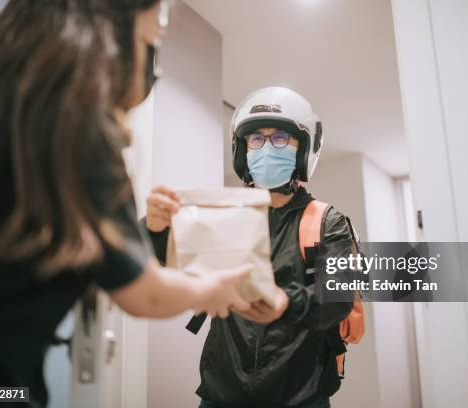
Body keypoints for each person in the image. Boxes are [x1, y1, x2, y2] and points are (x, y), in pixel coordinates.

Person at [0, 1, 252, 406]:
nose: (153, 66)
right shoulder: (75, 129)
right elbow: (142, 292)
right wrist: (209, 290)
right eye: (153, 41)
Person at [144, 87, 357, 408]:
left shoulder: (329, 221)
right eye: (256, 139)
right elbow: (151, 262)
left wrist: (286, 302)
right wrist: (153, 229)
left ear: (304, 150)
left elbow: (339, 296)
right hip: (221, 395)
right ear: (243, 150)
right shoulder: (222, 215)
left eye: (280, 138)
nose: (266, 147)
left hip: (301, 398)